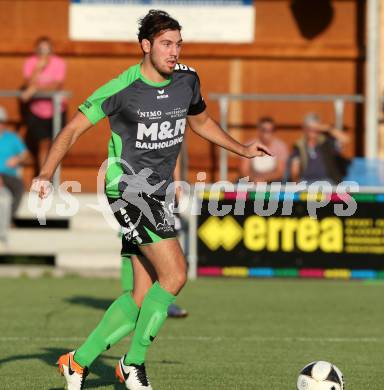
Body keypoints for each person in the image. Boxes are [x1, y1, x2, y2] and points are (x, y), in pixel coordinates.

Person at [31, 10, 270, 390]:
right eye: (165, 44)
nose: (174, 52)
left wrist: (241, 149)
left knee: (142, 294)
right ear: (145, 46)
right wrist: (46, 174)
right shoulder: (121, 88)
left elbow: (201, 121)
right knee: (175, 274)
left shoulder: (187, 80)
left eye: (178, 44)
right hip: (127, 191)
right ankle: (133, 364)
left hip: (157, 194)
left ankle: (77, 362)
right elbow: (73, 128)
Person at [21, 36, 66, 177]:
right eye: (41, 48)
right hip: (37, 111)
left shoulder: (59, 63)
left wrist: (34, 90)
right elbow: (28, 84)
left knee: (56, 145)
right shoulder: (30, 62)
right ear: (36, 49)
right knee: (43, 144)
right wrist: (38, 69)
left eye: (47, 48)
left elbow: (56, 86)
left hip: (57, 110)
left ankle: (53, 177)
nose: (44, 52)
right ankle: (43, 178)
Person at [290, 112, 350, 184]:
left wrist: (328, 129)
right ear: (305, 129)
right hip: (306, 182)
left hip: (327, 181)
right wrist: (297, 184)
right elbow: (294, 170)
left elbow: (346, 140)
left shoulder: (326, 143)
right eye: (310, 129)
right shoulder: (299, 146)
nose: (313, 132)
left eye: (316, 129)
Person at [239, 116, 289, 183]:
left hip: (273, 183)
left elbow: (280, 172)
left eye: (270, 130)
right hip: (251, 182)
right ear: (259, 130)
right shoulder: (250, 145)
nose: (267, 133)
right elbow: (244, 170)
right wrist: (255, 179)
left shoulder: (280, 147)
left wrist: (263, 179)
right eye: (264, 130)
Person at [0, 106, 28, 221]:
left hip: (9, 175)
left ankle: (7, 219)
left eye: (1, 122)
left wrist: (17, 159)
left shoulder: (12, 138)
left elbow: (25, 155)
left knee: (19, 188)